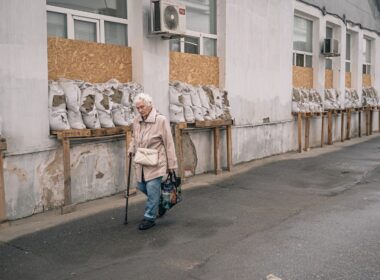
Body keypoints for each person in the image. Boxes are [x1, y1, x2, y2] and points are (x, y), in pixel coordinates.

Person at [128, 93, 177, 230]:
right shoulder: (137, 120)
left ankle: (149, 217)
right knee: (141, 186)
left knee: (151, 188)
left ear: (150, 105)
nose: (140, 110)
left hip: (156, 161)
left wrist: (172, 164)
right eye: (137, 108)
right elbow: (134, 137)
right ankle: (161, 201)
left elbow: (169, 143)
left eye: (142, 107)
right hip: (142, 161)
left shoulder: (160, 120)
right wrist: (131, 148)